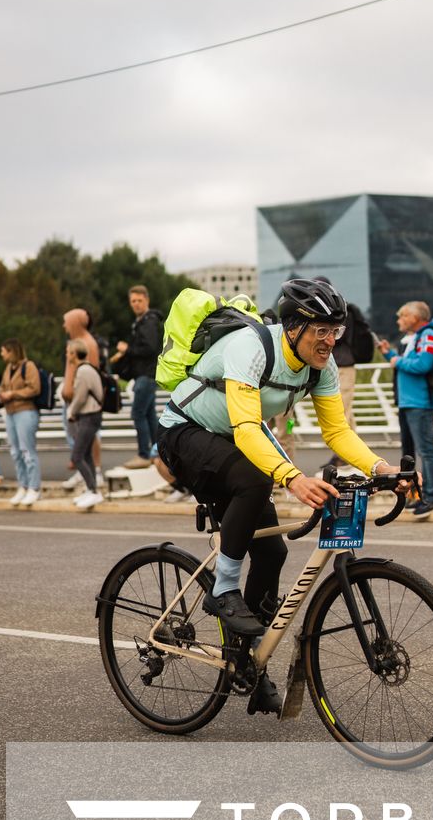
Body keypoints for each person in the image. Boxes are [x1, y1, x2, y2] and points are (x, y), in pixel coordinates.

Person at [155, 277, 414, 708]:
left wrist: (381, 467)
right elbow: (247, 428)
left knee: (273, 553)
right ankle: (223, 590)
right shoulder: (250, 348)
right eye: (321, 331)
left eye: (337, 331)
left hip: (235, 440)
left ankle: (246, 666)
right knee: (255, 481)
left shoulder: (321, 366)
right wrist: (292, 478)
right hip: (186, 432)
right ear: (293, 327)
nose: (330, 341)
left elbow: (337, 431)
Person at [376, 301, 433, 518]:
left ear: (415, 318)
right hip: (408, 402)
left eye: (402, 316)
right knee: (410, 454)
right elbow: (406, 362)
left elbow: (423, 364)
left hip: (420, 402)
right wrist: (389, 354)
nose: (399, 320)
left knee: (426, 451)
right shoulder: (415, 337)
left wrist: (396, 360)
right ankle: (419, 495)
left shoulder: (429, 335)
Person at [114, 287, 164, 468]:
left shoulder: (148, 322)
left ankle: (144, 455)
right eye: (133, 301)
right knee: (150, 415)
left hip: (146, 375)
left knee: (138, 413)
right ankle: (158, 452)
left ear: (147, 300)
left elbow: (150, 348)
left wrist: (128, 350)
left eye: (139, 300)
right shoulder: (143, 322)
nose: (136, 304)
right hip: (147, 375)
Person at [61, 308, 104, 493]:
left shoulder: (87, 344)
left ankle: (93, 481)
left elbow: (87, 382)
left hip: (84, 408)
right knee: (80, 447)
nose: (64, 326)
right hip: (77, 405)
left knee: (82, 449)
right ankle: (89, 481)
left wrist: (72, 408)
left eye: (66, 322)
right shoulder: (76, 344)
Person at [0, 339, 43, 506]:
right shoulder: (8, 368)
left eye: (4, 351)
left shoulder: (28, 366)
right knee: (15, 451)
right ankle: (22, 485)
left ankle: (34, 487)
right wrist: (3, 394)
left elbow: (34, 388)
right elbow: (2, 386)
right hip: (10, 412)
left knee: (27, 451)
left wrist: (13, 394)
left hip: (25, 411)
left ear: (12, 351)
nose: (2, 354)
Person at [66, 342, 104, 510]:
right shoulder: (86, 369)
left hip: (89, 416)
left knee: (77, 456)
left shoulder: (83, 371)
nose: (67, 355)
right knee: (86, 454)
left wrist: (70, 412)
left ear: (75, 354)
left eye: (69, 352)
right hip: (90, 416)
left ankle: (94, 492)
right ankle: (91, 489)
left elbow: (80, 397)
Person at [331, 301, 375, 429]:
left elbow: (337, 337)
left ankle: (343, 447)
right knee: (344, 411)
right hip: (338, 365)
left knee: (341, 412)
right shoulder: (344, 312)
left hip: (343, 366)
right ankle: (352, 446)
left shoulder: (342, 314)